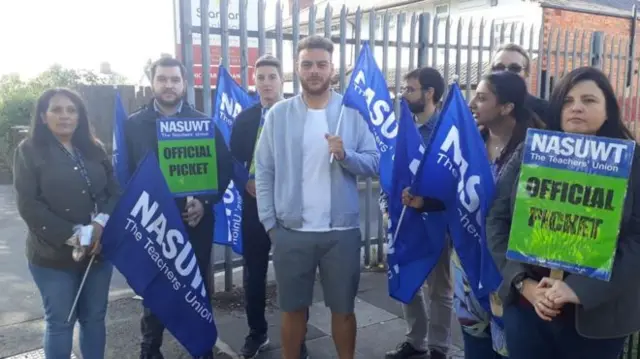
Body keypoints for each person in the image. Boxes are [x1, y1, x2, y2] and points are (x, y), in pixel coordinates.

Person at [487, 66, 640, 359]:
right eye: (568, 101)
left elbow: (637, 240)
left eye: (589, 100)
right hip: (527, 309)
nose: (576, 108)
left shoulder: (632, 164)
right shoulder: (529, 153)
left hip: (597, 321)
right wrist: (523, 283)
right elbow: (497, 219)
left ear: (608, 110)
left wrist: (579, 290)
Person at [254, 34, 379, 359]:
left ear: (331, 69)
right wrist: (270, 223)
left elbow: (375, 161)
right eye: (307, 64)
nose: (314, 71)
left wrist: (346, 155)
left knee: (344, 310)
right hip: (291, 232)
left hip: (341, 233)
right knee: (293, 311)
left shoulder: (350, 112)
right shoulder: (278, 115)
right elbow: (264, 171)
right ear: (297, 69)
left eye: (321, 64)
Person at [125, 57, 233, 359]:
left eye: (175, 79)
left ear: (184, 84)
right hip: (153, 222)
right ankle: (150, 349)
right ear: (152, 82)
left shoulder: (203, 122)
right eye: (162, 79)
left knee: (197, 286)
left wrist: (205, 201)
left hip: (195, 220)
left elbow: (223, 168)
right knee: (155, 287)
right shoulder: (134, 125)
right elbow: (124, 174)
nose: (169, 85)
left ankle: (201, 346)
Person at [14, 88, 120, 359]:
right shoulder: (29, 151)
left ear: (80, 116)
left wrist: (99, 225)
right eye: (57, 110)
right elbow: (29, 205)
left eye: (71, 110)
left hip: (98, 252)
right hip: (52, 256)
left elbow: (113, 191)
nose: (65, 116)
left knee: (94, 318)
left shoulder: (94, 148)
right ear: (42, 116)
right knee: (61, 322)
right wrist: (75, 236)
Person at [230, 54, 309, 359]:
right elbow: (233, 161)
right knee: (254, 273)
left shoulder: (299, 114)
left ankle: (298, 337)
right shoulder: (245, 120)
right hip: (254, 208)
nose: (266, 83)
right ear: (254, 82)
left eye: (271, 77)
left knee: (296, 274)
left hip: (291, 208)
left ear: (282, 81)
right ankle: (257, 333)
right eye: (260, 78)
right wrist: (244, 183)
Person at [381, 67, 452, 359]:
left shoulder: (446, 132)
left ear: (429, 93)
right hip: (403, 221)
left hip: (436, 222)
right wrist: (387, 206)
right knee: (407, 278)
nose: (404, 95)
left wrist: (426, 203)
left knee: (439, 289)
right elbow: (391, 175)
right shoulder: (403, 130)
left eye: (410, 89)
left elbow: (454, 185)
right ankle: (416, 340)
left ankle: (439, 347)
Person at [491, 43, 548, 122]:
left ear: (526, 73)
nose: (506, 73)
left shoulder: (544, 111)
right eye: (499, 67)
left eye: (514, 68)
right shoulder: (480, 109)